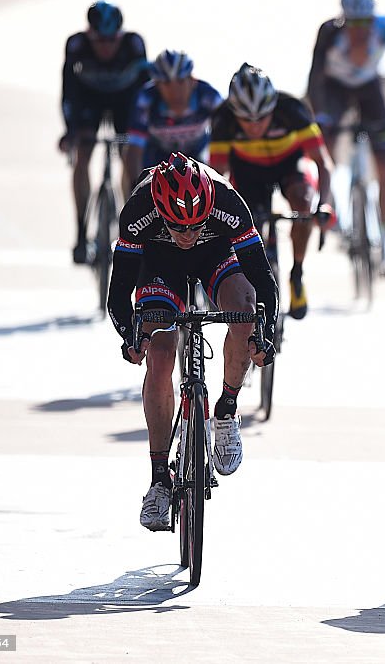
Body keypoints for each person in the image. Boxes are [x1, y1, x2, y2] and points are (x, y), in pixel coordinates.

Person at [107, 152, 278, 531]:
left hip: (216, 255)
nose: (188, 236)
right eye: (178, 228)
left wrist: (264, 333)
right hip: (158, 266)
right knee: (161, 355)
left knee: (245, 309)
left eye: (196, 225)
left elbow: (264, 282)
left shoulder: (229, 201)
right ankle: (158, 479)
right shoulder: (137, 209)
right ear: (159, 210)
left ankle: (227, 408)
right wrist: (130, 337)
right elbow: (118, 293)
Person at [210, 63, 336, 320]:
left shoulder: (291, 109)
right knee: (243, 219)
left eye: (262, 117)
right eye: (246, 120)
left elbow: (322, 162)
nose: (255, 126)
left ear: (273, 107)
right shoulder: (223, 118)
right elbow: (217, 174)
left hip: (290, 165)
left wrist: (324, 205)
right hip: (247, 173)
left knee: (302, 203)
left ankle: (296, 274)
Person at [306, 0, 385, 275]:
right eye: (354, 24)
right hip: (335, 89)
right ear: (344, 21)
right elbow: (314, 78)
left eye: (366, 23)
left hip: (369, 88)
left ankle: (384, 246)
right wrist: (322, 116)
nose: (360, 30)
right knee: (323, 144)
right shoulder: (330, 32)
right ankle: (335, 210)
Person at [59, 0, 149, 264]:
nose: (107, 47)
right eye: (100, 41)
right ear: (89, 34)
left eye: (112, 41)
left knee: (131, 157)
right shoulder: (76, 44)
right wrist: (70, 131)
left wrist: (143, 132)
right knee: (83, 154)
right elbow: (68, 91)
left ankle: (136, 228)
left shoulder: (134, 44)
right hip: (89, 102)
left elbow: (145, 92)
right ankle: (80, 233)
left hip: (125, 102)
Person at [124, 49, 223, 178]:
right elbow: (134, 150)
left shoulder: (209, 97)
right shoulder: (145, 99)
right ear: (157, 85)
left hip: (196, 154)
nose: (175, 91)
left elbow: (225, 141)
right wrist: (135, 187)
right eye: (166, 83)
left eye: (181, 82)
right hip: (157, 156)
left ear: (192, 81)